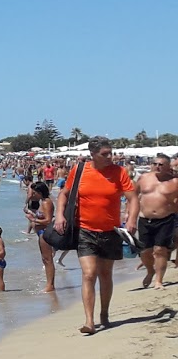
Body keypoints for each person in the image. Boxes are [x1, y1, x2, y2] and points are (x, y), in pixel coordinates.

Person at [54, 139, 137, 334]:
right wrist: (59, 215)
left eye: (111, 153)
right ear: (93, 153)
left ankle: (104, 314)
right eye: (105, 154)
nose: (110, 157)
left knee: (105, 274)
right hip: (85, 230)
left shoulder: (119, 172)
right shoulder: (80, 170)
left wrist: (131, 219)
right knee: (89, 273)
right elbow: (64, 194)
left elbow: (133, 199)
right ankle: (89, 322)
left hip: (111, 231)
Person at [135, 153, 177, 289]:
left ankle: (159, 280)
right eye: (155, 164)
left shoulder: (174, 182)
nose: (157, 167)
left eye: (161, 165)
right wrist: (129, 214)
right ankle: (150, 271)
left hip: (166, 219)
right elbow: (133, 196)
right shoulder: (143, 178)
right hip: (144, 219)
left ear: (167, 167)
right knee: (145, 251)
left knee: (160, 250)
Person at [25, 180, 58, 293]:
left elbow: (48, 220)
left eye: (35, 193)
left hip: (45, 232)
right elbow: (42, 216)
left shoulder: (46, 202)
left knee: (48, 259)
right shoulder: (42, 202)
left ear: (40, 192)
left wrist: (33, 220)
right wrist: (32, 214)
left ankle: (50, 285)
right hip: (41, 232)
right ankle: (49, 283)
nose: (33, 195)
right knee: (45, 259)